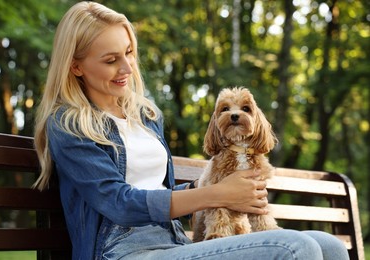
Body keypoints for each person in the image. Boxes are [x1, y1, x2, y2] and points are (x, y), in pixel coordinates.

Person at [33, 2, 349, 260]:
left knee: (331, 245)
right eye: (111, 60)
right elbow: (118, 202)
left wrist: (214, 184)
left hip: (174, 242)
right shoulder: (68, 125)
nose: (128, 68)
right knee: (297, 248)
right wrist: (213, 193)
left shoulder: (144, 115)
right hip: (123, 250)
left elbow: (156, 190)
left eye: (129, 52)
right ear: (76, 66)